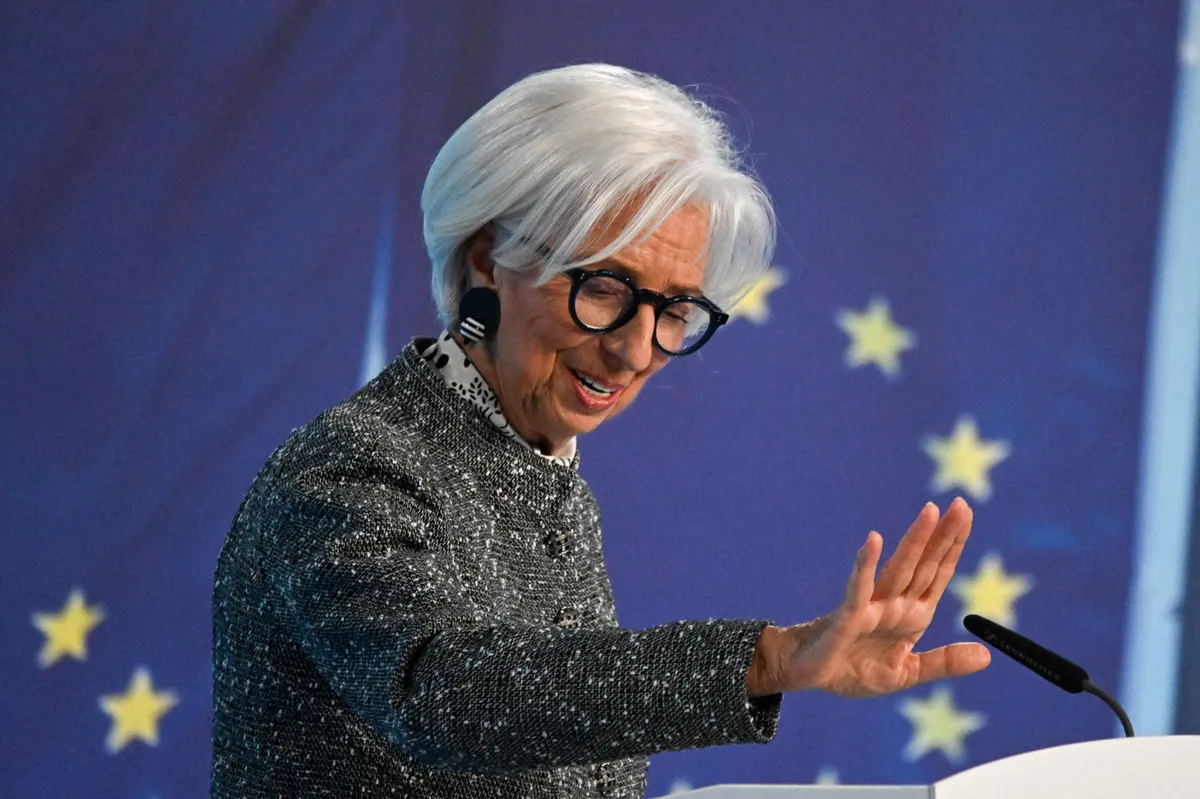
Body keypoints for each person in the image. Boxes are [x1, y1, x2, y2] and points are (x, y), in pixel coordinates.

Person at [211, 63, 990, 799]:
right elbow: (443, 694)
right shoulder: (354, 466)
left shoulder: (544, 473)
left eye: (674, 308)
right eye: (606, 286)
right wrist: (764, 660)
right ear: (487, 260)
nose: (635, 348)